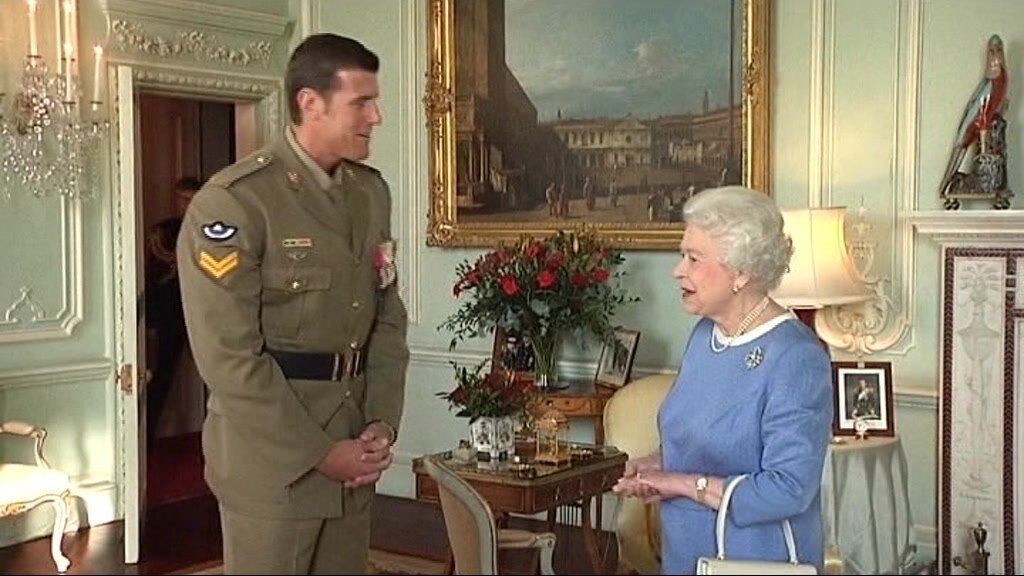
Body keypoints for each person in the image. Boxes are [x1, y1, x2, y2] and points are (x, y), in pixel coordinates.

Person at [176, 33, 410, 575]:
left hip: (354, 444)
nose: (376, 116)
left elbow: (386, 319)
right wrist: (321, 453)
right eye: (361, 102)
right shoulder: (237, 202)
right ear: (310, 103)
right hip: (273, 464)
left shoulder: (370, 193)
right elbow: (228, 360)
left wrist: (379, 423)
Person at [613, 186, 832, 574]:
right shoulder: (704, 336)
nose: (678, 270)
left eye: (693, 258)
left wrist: (680, 483)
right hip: (686, 553)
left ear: (742, 271)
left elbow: (789, 489)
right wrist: (654, 467)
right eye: (682, 255)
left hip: (757, 560)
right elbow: (699, 441)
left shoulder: (796, 356)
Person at [144, 176, 201, 445]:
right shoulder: (164, 232)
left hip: (200, 311)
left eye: (190, 199)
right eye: (181, 199)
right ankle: (146, 437)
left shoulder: (208, 228)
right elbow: (153, 273)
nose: (185, 205)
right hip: (169, 311)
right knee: (160, 375)